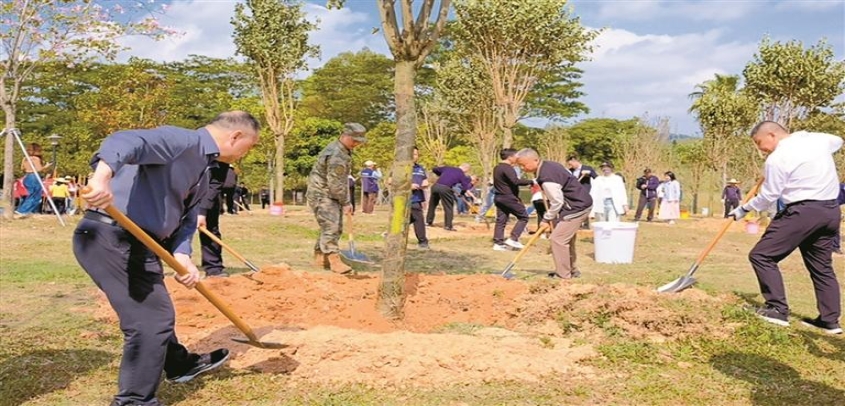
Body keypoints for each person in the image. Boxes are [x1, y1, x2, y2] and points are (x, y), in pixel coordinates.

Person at [73, 111, 261, 405]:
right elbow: (125, 140)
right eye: (249, 146)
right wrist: (101, 179)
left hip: (141, 245)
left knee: (154, 311)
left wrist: (182, 254)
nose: (245, 153)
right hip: (111, 237)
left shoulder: (205, 166)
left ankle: (177, 363)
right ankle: (134, 401)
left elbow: (187, 218)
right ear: (235, 136)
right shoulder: (182, 141)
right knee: (151, 320)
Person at [729, 121, 842, 334]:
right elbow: (838, 140)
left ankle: (777, 310)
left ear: (771, 135)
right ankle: (829, 320)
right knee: (822, 267)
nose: (760, 149)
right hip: (830, 212)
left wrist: (743, 209)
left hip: (802, 212)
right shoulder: (818, 140)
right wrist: (806, 137)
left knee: (762, 255)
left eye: (759, 142)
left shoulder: (777, 159)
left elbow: (769, 195)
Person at [516, 148, 592, 279]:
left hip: (576, 207)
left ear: (535, 160)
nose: (522, 168)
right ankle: (571, 270)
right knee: (566, 239)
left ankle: (563, 274)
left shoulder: (547, 176)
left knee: (557, 239)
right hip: (579, 204)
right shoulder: (549, 165)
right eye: (520, 166)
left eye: (524, 165)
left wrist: (546, 219)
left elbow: (557, 201)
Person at [306, 123, 367, 274]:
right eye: (354, 140)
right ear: (344, 136)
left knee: (330, 226)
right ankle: (334, 260)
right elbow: (336, 183)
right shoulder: (337, 155)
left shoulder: (342, 150)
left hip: (328, 193)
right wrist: (346, 202)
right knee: (331, 227)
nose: (356, 144)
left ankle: (321, 258)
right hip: (323, 194)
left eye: (358, 141)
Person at [492, 148, 534, 251]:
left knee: (501, 220)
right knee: (523, 217)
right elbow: (515, 181)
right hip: (508, 197)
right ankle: (513, 238)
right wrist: (532, 181)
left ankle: (498, 243)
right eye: (516, 156)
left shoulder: (497, 168)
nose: (517, 158)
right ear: (510, 157)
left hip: (499, 197)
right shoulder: (507, 168)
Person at [199, 161, 231, 278]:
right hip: (180, 192)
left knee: (210, 229)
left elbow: (216, 183)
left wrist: (202, 211)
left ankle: (213, 268)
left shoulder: (223, 157)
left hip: (208, 194)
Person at [426, 163, 476, 231]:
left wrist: (440, 174)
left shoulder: (448, 168)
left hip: (435, 186)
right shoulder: (461, 174)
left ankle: (428, 222)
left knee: (432, 205)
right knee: (448, 207)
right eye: (467, 171)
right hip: (445, 188)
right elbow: (465, 187)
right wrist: (461, 193)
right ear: (466, 169)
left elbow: (434, 169)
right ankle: (448, 226)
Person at [15, 143, 52, 216]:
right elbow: (39, 169)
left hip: (27, 177)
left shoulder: (25, 158)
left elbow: (22, 168)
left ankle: (25, 210)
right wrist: (46, 166)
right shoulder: (36, 159)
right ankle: (22, 210)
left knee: (31, 195)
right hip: (34, 177)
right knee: (35, 196)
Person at [567, 154, 596, 229]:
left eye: (571, 164)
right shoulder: (571, 171)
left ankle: (586, 226)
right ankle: (577, 225)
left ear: (575, 161)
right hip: (575, 193)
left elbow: (596, 177)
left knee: (584, 208)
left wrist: (588, 173)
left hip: (585, 192)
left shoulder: (587, 168)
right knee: (577, 209)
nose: (570, 166)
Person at [410, 147, 430, 250]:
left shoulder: (420, 168)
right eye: (413, 154)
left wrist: (425, 184)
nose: (415, 156)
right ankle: (391, 233)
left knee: (418, 220)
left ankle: (422, 242)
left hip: (416, 199)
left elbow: (425, 181)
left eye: (416, 154)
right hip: (402, 199)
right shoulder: (400, 167)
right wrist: (409, 186)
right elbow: (391, 181)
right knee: (403, 220)